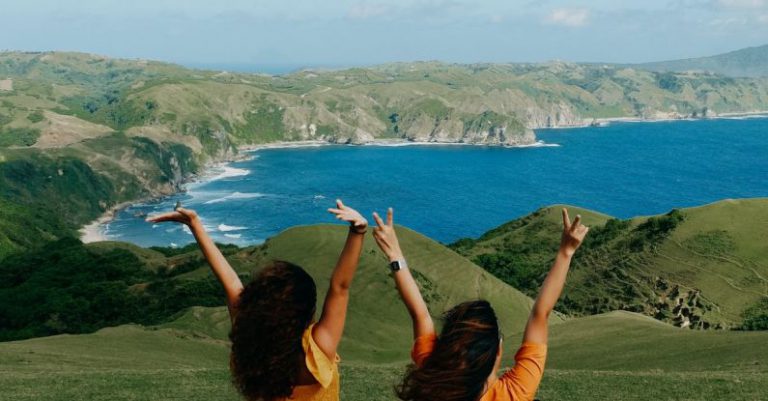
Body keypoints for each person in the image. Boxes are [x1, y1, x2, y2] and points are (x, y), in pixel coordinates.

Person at [147, 199, 368, 401]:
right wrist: (358, 232)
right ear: (304, 312)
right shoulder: (315, 352)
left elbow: (231, 282)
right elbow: (340, 287)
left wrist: (195, 225)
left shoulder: (251, 342)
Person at [371, 207, 589, 401]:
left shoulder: (433, 379)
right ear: (498, 351)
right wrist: (565, 253)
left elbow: (420, 314)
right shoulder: (515, 393)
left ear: (448, 347)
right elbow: (540, 314)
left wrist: (394, 253)